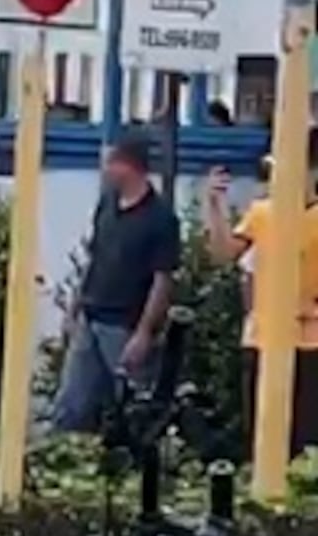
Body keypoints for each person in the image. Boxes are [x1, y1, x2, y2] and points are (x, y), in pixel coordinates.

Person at [51, 127, 181, 434]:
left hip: (125, 323)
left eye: (111, 162)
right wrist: (74, 308)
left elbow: (162, 279)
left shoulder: (160, 218)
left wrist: (144, 332)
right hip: (92, 316)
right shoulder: (107, 204)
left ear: (129, 166)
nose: (106, 169)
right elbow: (94, 259)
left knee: (134, 405)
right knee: (71, 403)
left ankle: (140, 465)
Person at [203, 128, 318, 462]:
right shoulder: (262, 213)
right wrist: (214, 204)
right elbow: (223, 253)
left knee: (305, 439)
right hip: (263, 339)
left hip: (308, 342)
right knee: (262, 436)